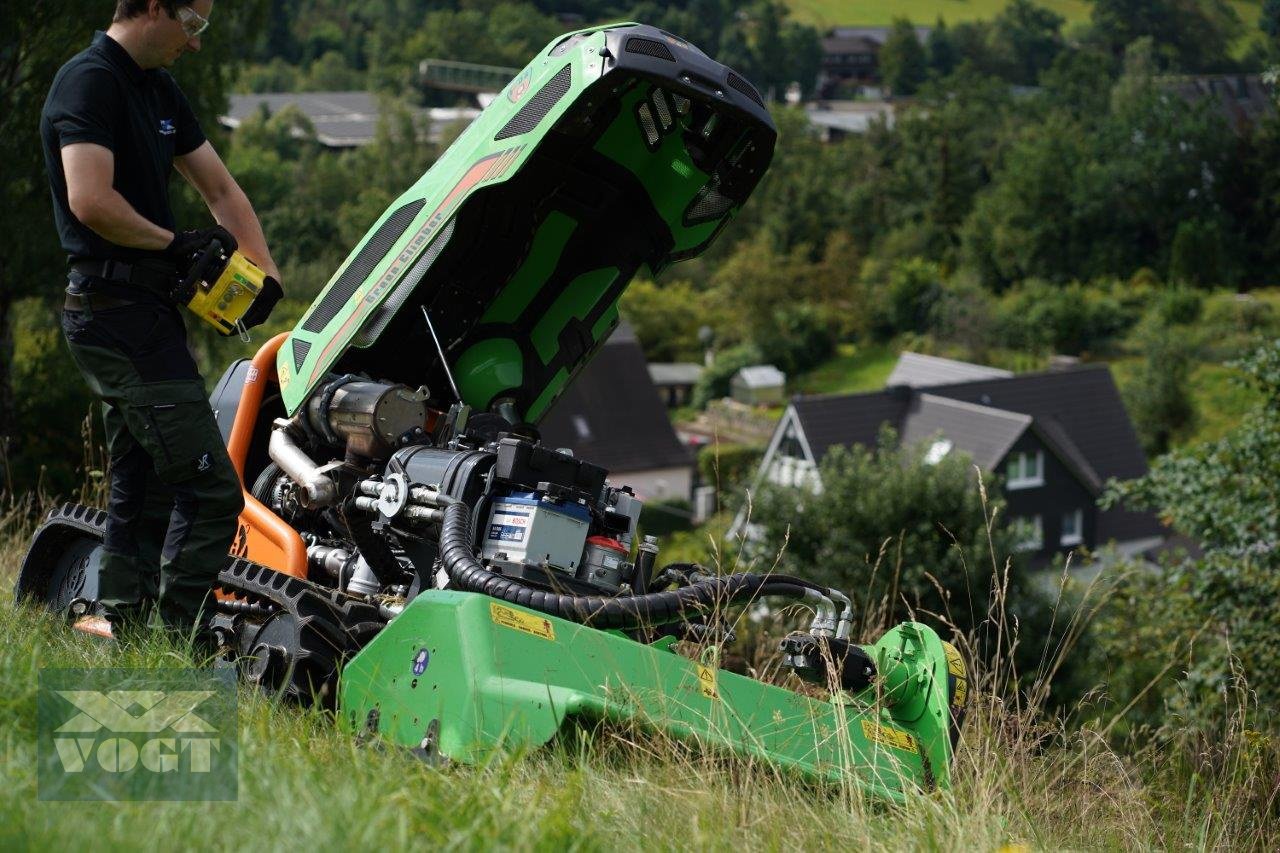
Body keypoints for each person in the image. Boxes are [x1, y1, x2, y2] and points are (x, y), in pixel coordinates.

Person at [40, 0, 281, 647]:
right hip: (112, 314)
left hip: (150, 314)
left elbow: (220, 191)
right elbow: (91, 200)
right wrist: (175, 245)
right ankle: (178, 643)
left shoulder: (158, 87)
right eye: (191, 25)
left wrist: (264, 271)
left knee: (141, 485)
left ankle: (127, 630)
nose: (196, 42)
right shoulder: (88, 82)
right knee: (211, 489)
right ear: (152, 7)